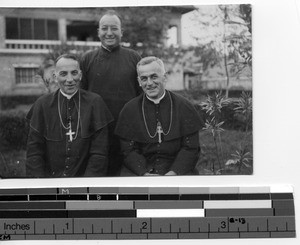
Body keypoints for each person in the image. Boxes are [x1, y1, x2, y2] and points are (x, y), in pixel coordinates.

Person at [26, 54, 113, 178]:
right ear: (55, 77)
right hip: (51, 182)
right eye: (63, 74)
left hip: (84, 182)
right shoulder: (42, 105)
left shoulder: (95, 102)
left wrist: (87, 186)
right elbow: (34, 153)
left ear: (81, 75)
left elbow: (99, 153)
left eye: (74, 73)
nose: (70, 79)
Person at [115, 56, 202, 176]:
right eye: (144, 79)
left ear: (164, 78)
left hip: (177, 170)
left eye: (154, 77)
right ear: (139, 82)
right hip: (140, 172)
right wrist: (144, 173)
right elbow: (128, 150)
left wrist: (174, 172)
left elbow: (190, 148)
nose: (149, 83)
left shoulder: (184, 106)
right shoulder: (129, 109)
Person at [80, 10, 142, 176]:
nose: (109, 33)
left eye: (114, 28)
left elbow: (142, 97)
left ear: (121, 32)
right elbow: (81, 98)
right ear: (98, 32)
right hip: (97, 133)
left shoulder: (134, 58)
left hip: (128, 133)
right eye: (104, 28)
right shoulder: (87, 59)